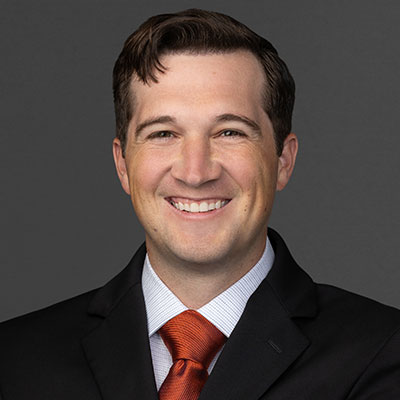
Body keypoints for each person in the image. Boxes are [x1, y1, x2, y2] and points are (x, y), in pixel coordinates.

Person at [0, 8, 399, 400]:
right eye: (163, 134)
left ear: (283, 160)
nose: (195, 172)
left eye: (229, 132)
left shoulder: (382, 352)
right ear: (123, 164)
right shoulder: (16, 360)